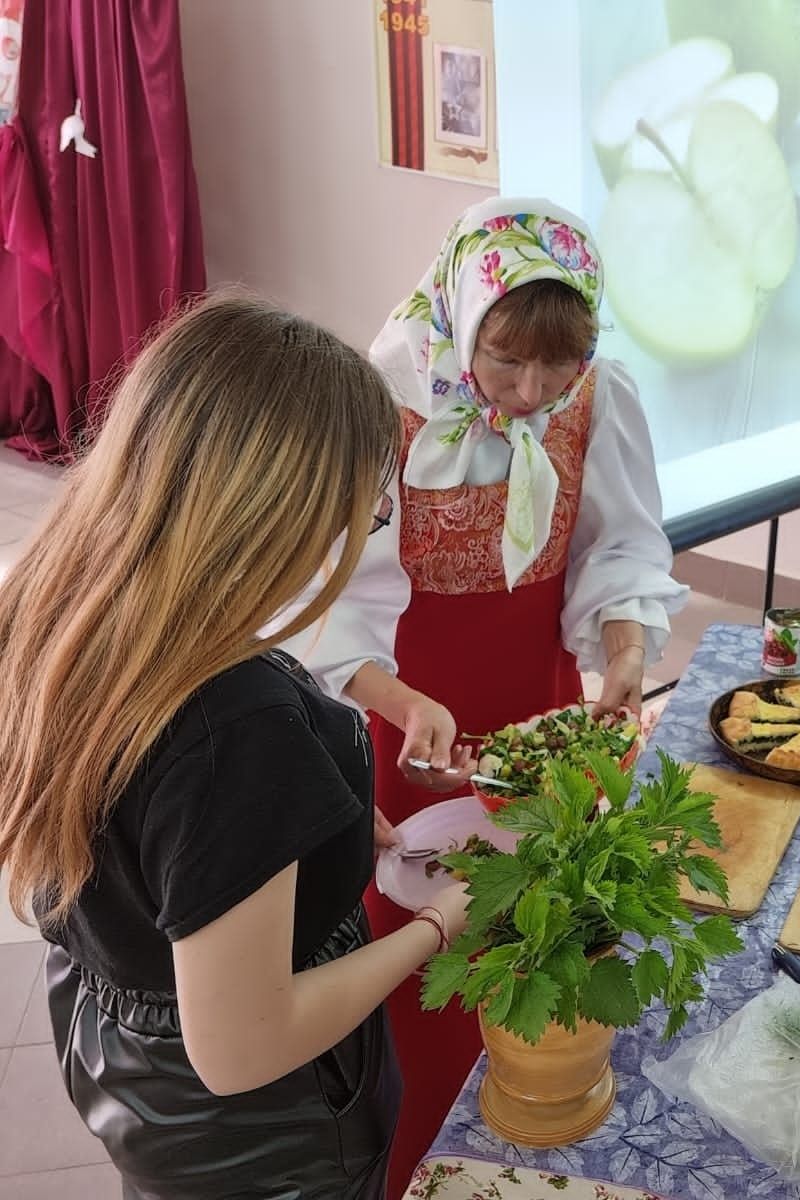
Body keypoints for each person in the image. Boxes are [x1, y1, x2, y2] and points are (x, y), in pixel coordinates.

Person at [0, 295, 473, 1198]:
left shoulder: (62, 603)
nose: (361, 536)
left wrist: (309, 830)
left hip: (121, 1051)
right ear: (273, 514)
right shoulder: (236, 735)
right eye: (363, 513)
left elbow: (157, 839)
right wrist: (435, 926)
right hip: (260, 1131)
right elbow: (244, 1046)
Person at [274, 196, 687, 1196]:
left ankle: (532, 1143)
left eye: (559, 366)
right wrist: (400, 700)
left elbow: (619, 544)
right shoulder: (382, 403)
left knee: (541, 925)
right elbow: (328, 598)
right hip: (406, 708)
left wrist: (622, 653)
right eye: (505, 361)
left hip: (537, 698)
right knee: (419, 942)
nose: (529, 390)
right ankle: (416, 1160)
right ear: (464, 312)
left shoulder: (599, 400)